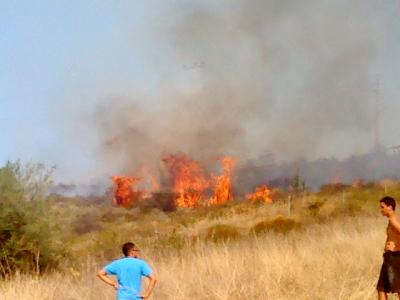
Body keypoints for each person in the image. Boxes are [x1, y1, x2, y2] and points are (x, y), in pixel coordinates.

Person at [377, 196, 400, 300]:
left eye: (382, 207)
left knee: (386, 288)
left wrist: (395, 248)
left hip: (394, 257)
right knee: (382, 288)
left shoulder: (393, 220)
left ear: (390, 207)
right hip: (390, 257)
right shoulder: (393, 219)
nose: (381, 210)